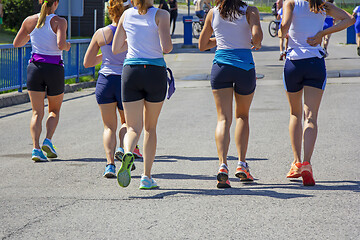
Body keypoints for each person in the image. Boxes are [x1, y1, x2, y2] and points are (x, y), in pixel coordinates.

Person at [279, 0, 355, 186]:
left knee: (295, 113)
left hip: (294, 62)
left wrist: (284, 33)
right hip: (315, 61)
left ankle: (296, 162)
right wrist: (322, 33)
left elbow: (283, 27)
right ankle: (307, 163)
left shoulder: (291, 3)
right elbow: (350, 20)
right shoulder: (323, 5)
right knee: (311, 116)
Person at [199, 0, 263, 188]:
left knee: (223, 119)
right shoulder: (250, 11)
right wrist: (253, 40)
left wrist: (221, 38)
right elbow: (257, 38)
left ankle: (222, 166)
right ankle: (242, 164)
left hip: (221, 67)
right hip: (244, 67)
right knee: (242, 115)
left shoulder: (213, 13)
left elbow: (202, 45)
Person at [112, 0, 172, 189]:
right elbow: (167, 47)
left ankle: (128, 151)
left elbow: (115, 48)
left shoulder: (126, 15)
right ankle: (146, 177)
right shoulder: (162, 15)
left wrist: (133, 42)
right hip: (154, 72)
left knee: (132, 128)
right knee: (150, 128)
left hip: (131, 71)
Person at [83, 0, 142, 178]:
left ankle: (109, 165)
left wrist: (106, 55)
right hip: (126, 80)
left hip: (105, 81)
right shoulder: (132, 33)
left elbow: (87, 63)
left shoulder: (100, 33)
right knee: (126, 123)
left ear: (110, 12)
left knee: (109, 126)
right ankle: (125, 152)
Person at [13, 0, 71, 162]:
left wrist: (33, 37)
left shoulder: (29, 21)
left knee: (37, 112)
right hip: (54, 68)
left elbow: (17, 43)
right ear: (56, 3)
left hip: (35, 69)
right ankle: (48, 140)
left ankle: (36, 149)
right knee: (54, 110)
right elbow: (60, 44)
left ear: (40, 2)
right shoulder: (59, 21)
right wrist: (67, 46)